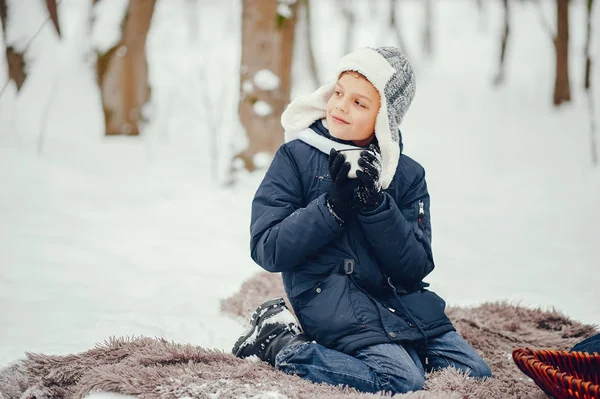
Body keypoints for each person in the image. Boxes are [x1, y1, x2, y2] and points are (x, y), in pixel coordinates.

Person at [232, 47, 492, 394]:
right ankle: (281, 343)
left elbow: (414, 267)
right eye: (339, 93)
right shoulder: (295, 158)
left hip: (398, 304)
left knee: (476, 372)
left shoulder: (407, 175)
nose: (340, 106)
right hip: (331, 301)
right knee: (403, 379)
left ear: (385, 117)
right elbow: (268, 248)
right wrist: (332, 208)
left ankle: (397, 351)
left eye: (359, 103)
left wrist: (375, 207)